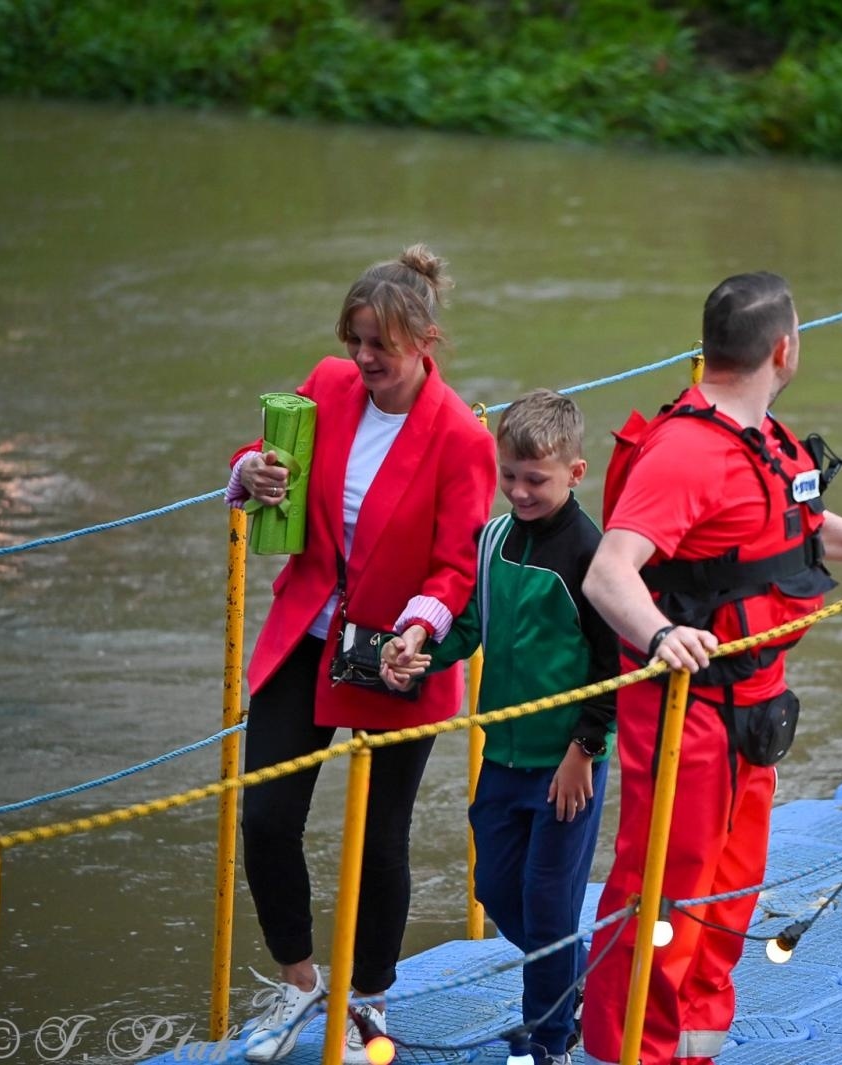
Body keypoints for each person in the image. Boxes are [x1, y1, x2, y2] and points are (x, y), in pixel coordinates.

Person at [578, 272, 842, 1065]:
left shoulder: (764, 440)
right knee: (665, 894)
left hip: (754, 709)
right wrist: (659, 636)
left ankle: (693, 1048)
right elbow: (609, 570)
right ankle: (626, 1055)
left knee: (728, 894)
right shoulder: (685, 452)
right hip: (686, 707)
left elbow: (802, 529)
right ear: (784, 348)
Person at [227, 245, 498, 1063]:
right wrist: (253, 472)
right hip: (308, 636)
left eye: (378, 342)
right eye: (354, 338)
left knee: (380, 839)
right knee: (266, 815)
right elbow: (263, 455)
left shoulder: (460, 436)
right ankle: (301, 983)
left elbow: (458, 563)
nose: (363, 358)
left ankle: (370, 1001)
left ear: (426, 341)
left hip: (397, 656)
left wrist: (419, 628)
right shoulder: (328, 384)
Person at [380, 388, 617, 1065]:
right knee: (494, 889)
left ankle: (548, 1042)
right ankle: (575, 975)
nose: (518, 490)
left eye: (535, 478)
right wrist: (421, 655)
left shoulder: (590, 556)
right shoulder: (491, 542)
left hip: (566, 765)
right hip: (502, 757)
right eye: (508, 474)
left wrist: (584, 750)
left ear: (576, 473)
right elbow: (473, 627)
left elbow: (613, 666)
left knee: (546, 906)